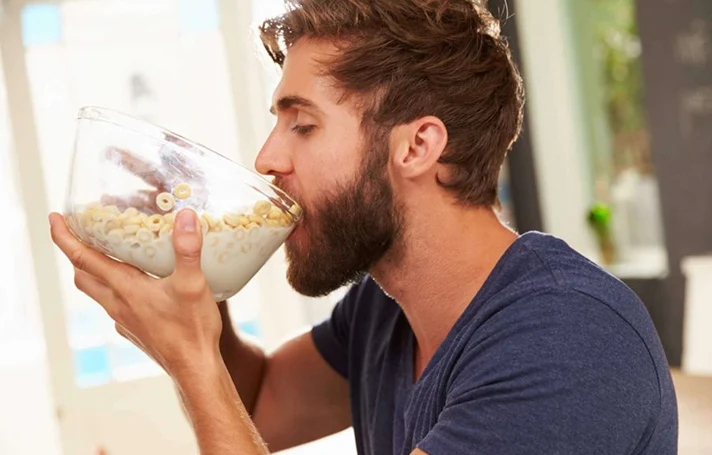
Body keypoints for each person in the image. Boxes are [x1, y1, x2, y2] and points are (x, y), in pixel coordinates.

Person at [49, 0, 678, 454]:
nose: (267, 157)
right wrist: (191, 286)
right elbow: (262, 404)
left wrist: (190, 359)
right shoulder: (384, 312)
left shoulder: (568, 342)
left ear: (416, 147)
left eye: (303, 124)